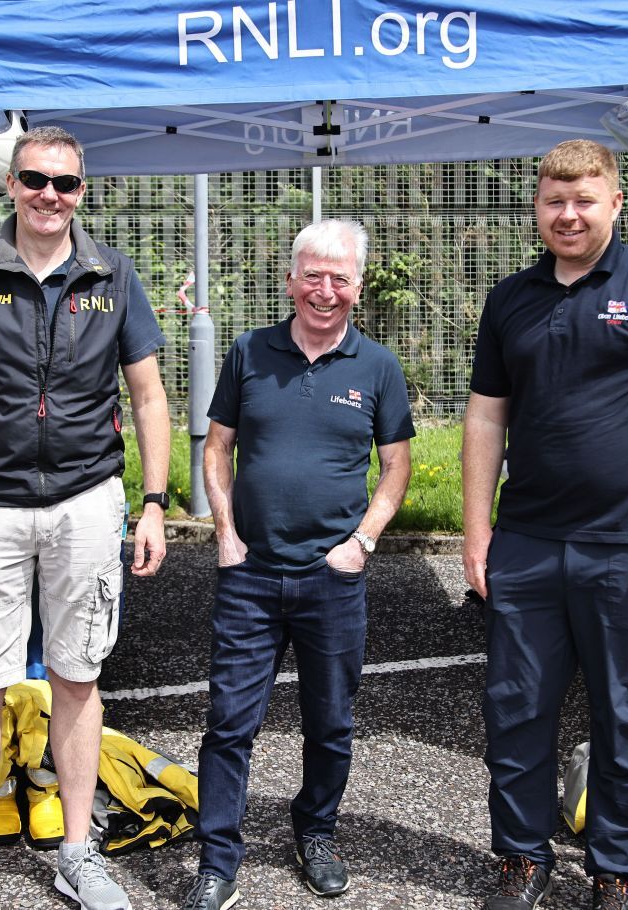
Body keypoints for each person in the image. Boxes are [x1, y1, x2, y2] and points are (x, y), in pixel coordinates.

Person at [461, 140, 628, 910]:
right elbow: (485, 418)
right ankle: (521, 860)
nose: (569, 215)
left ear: (615, 203)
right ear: (537, 207)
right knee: (515, 712)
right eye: (555, 201)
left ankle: (617, 872)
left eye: (584, 200)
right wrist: (476, 532)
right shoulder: (511, 297)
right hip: (527, 545)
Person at [0, 125, 171, 910]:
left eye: (66, 183)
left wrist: (154, 505)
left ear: (83, 192)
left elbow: (150, 397)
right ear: (11, 185)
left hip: (89, 504)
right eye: (34, 179)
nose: (50, 195)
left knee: (78, 678)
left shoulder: (112, 275)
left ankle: (78, 854)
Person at [178, 220, 415, 910]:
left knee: (331, 722)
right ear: (290, 280)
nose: (324, 289)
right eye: (312, 274)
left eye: (339, 277)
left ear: (358, 288)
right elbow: (216, 449)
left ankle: (316, 833)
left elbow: (397, 467)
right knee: (229, 724)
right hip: (249, 576)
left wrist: (361, 543)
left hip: (332, 578)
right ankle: (218, 860)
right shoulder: (250, 352)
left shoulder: (377, 367)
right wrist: (225, 533)